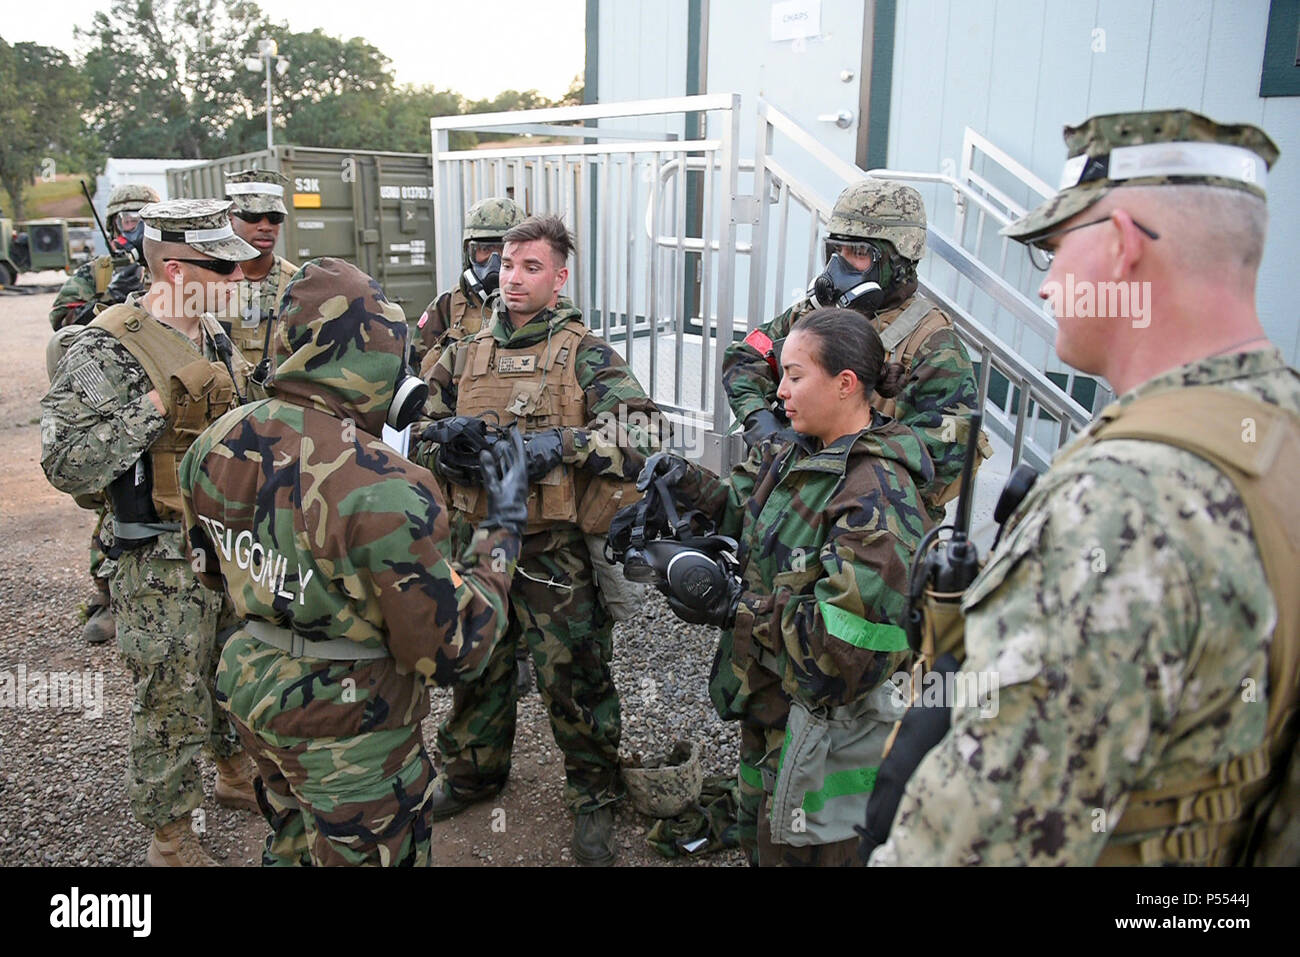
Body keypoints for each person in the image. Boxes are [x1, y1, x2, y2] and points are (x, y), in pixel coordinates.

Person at [869, 109, 1300, 867]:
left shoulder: (1122, 505)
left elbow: (972, 845)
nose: (1047, 288)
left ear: (1124, 245)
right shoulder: (1276, 432)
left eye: (1057, 251)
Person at [178, 257, 532, 867]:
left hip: (252, 692)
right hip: (350, 729)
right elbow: (452, 651)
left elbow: (213, 572)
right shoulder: (388, 484)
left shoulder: (215, 441)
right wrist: (501, 530)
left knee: (290, 836)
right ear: (374, 360)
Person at [638, 307, 933, 865]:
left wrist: (734, 608)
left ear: (846, 384)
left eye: (795, 376)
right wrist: (684, 480)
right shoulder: (800, 450)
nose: (779, 391)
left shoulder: (877, 497)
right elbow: (742, 511)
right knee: (759, 843)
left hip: (824, 744)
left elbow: (844, 651)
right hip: (771, 716)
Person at [416, 214, 663, 866]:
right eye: (507, 264)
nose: (515, 277)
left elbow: (644, 437)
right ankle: (472, 770)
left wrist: (566, 443)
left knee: (575, 678)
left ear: (560, 277)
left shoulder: (585, 352)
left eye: (532, 267)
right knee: (476, 667)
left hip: (552, 553)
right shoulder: (463, 351)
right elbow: (418, 429)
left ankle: (592, 791)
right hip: (477, 546)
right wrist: (451, 452)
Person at [40, 198, 262, 866]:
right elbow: (63, 460)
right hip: (158, 554)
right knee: (169, 692)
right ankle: (169, 835)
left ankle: (232, 773)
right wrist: (157, 405)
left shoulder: (213, 332)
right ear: (172, 266)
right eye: (222, 264)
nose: (238, 274)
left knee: (231, 669)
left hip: (223, 542)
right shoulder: (109, 343)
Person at [722, 177, 986, 520]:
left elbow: (943, 458)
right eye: (836, 251)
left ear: (899, 259)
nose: (839, 267)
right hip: (789, 503)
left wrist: (831, 455)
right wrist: (760, 421)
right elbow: (747, 354)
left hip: (870, 522)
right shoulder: (813, 314)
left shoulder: (933, 344)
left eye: (859, 253)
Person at [48, 183, 160, 646]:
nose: (129, 229)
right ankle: (107, 595)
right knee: (112, 498)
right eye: (123, 220)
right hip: (109, 399)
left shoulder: (169, 267)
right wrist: (106, 303)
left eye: (139, 219)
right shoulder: (96, 272)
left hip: (156, 389)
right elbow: (62, 325)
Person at [415, 195, 525, 375]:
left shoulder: (540, 302)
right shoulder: (447, 306)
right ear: (468, 254)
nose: (495, 262)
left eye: (504, 249)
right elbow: (416, 373)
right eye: (484, 250)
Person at [49, 183, 159, 331]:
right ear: (114, 227)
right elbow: (63, 326)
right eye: (129, 221)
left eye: (145, 222)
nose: (139, 231)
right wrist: (111, 297)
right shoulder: (97, 273)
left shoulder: (178, 267)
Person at [221, 169, 297, 378]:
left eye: (274, 217)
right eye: (253, 216)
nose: (265, 226)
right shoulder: (208, 283)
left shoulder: (299, 285)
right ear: (230, 219)